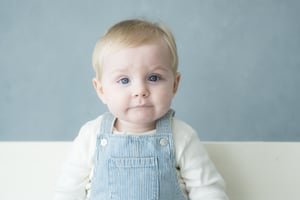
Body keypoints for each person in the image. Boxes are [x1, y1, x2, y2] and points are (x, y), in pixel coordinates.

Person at [54, 19, 229, 200]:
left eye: (154, 78)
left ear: (174, 85)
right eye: (124, 80)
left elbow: (207, 190)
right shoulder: (92, 135)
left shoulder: (181, 136)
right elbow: (68, 191)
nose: (140, 91)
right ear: (101, 90)